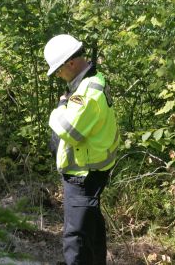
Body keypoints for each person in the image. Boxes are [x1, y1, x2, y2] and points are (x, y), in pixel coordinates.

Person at [44, 34, 120, 265]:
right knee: (92, 228)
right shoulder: (94, 79)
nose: (58, 75)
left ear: (71, 63)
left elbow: (68, 129)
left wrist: (59, 107)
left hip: (83, 176)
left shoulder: (87, 93)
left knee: (75, 237)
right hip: (92, 170)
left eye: (58, 69)